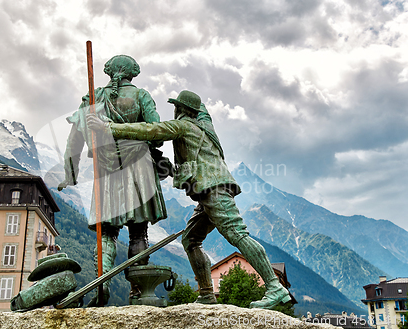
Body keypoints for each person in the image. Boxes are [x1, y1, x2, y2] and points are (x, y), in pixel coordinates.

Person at [86, 90, 291, 309]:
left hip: (214, 190)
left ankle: (274, 286)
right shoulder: (205, 127)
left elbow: (152, 129)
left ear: (180, 110)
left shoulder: (183, 125)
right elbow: (190, 166)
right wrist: (165, 166)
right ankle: (206, 294)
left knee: (237, 234)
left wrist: (108, 128)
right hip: (209, 192)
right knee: (191, 240)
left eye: (176, 108)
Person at [58, 55, 169, 306]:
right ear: (133, 73)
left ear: (109, 72)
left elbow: (73, 141)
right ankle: (138, 291)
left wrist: (70, 173)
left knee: (106, 231)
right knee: (138, 230)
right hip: (139, 166)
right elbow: (157, 134)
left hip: (106, 168)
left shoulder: (92, 99)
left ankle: (103, 282)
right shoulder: (141, 96)